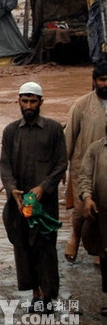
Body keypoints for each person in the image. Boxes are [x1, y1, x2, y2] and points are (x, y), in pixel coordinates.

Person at [0, 82, 67, 313]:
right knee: (24, 246)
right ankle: (35, 294)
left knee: (45, 247)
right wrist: (12, 189)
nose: (28, 106)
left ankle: (48, 297)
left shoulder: (54, 129)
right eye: (24, 101)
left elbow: (61, 164)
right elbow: (4, 165)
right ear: (18, 101)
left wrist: (43, 188)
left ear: (41, 102)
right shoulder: (10, 131)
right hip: (19, 203)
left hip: (44, 202)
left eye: (33, 101)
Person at [63, 60, 107, 263]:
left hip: (105, 167)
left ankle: (100, 249)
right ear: (94, 81)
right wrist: (62, 166)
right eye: (103, 80)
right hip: (83, 166)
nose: (106, 84)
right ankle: (75, 238)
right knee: (81, 210)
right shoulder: (81, 105)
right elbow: (69, 136)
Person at [78, 121, 107, 316]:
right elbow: (85, 177)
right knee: (105, 255)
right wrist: (87, 198)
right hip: (103, 214)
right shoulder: (96, 149)